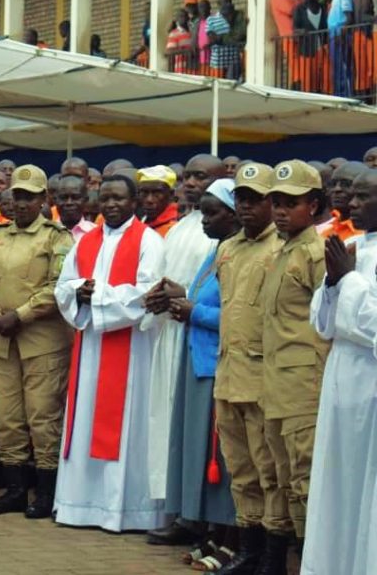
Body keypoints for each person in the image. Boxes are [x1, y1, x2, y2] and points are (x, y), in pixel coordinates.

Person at [53, 174, 165, 532]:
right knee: (85, 420)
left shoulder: (149, 240)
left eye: (119, 199)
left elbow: (149, 293)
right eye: (105, 199)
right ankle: (79, 505)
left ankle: (125, 510)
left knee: (128, 429)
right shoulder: (85, 242)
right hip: (90, 348)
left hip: (131, 351)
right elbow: (62, 286)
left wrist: (96, 296)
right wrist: (78, 291)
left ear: (134, 202)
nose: (112, 205)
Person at [0, 165, 74, 518]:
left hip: (42, 342)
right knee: (7, 419)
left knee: (43, 418)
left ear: (44, 200)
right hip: (1, 340)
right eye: (17, 196)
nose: (22, 204)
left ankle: (45, 494)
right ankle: (15, 490)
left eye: (30, 197)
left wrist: (22, 315)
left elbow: (59, 286)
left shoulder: (58, 238)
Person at [143, 155, 225, 543]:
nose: (190, 183)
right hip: (172, 335)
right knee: (172, 428)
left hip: (199, 338)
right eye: (187, 176)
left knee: (199, 435)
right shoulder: (181, 228)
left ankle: (199, 518)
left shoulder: (222, 233)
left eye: (200, 177)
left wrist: (186, 303)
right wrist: (163, 295)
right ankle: (177, 507)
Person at [255, 160, 330, 572]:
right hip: (276, 385)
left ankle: (312, 560)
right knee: (282, 479)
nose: (281, 211)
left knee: (306, 480)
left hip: (305, 387)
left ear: (314, 205)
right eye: (277, 202)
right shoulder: (283, 251)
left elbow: (329, 323)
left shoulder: (317, 254)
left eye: (292, 203)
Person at [303, 168, 377, 575]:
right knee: (339, 482)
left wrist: (346, 283)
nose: (352, 204)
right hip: (342, 382)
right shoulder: (352, 247)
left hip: (370, 383)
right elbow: (323, 323)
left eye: (364, 197)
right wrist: (332, 285)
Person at [210, 163, 283, 574]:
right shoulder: (228, 248)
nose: (246, 207)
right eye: (241, 199)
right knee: (240, 468)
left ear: (273, 202)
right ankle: (249, 548)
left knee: (268, 469)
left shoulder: (281, 249)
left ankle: (272, 555)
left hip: (263, 378)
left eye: (255, 199)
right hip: (229, 373)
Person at [163, 179, 239, 568]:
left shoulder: (239, 255)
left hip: (219, 364)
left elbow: (242, 317)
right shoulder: (217, 251)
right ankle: (212, 532)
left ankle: (232, 538)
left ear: (235, 213)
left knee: (222, 457)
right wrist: (180, 296)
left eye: (212, 213)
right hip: (198, 360)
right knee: (198, 452)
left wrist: (195, 311)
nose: (204, 220)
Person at [292, 0, 329, 93]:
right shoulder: (299, 9)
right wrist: (302, 31)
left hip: (322, 47)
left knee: (324, 76)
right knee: (308, 79)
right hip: (307, 49)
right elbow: (294, 29)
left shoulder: (322, 8)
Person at [317, 160, 364, 241]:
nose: (337, 189)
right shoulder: (324, 231)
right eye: (333, 184)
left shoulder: (367, 232)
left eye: (346, 184)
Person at [328, 0, 355, 98]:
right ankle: (339, 96)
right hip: (335, 35)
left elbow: (348, 17)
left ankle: (346, 97)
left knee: (343, 68)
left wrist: (342, 34)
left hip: (340, 36)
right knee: (337, 69)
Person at [137, 166, 179, 237]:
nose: (149, 200)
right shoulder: (140, 222)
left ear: (171, 194)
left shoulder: (178, 226)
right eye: (144, 192)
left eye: (156, 193)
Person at [56, 175, 95, 242]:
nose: (69, 203)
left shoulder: (97, 233)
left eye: (75, 197)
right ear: (56, 200)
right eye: (63, 197)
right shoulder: (45, 233)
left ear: (85, 200)